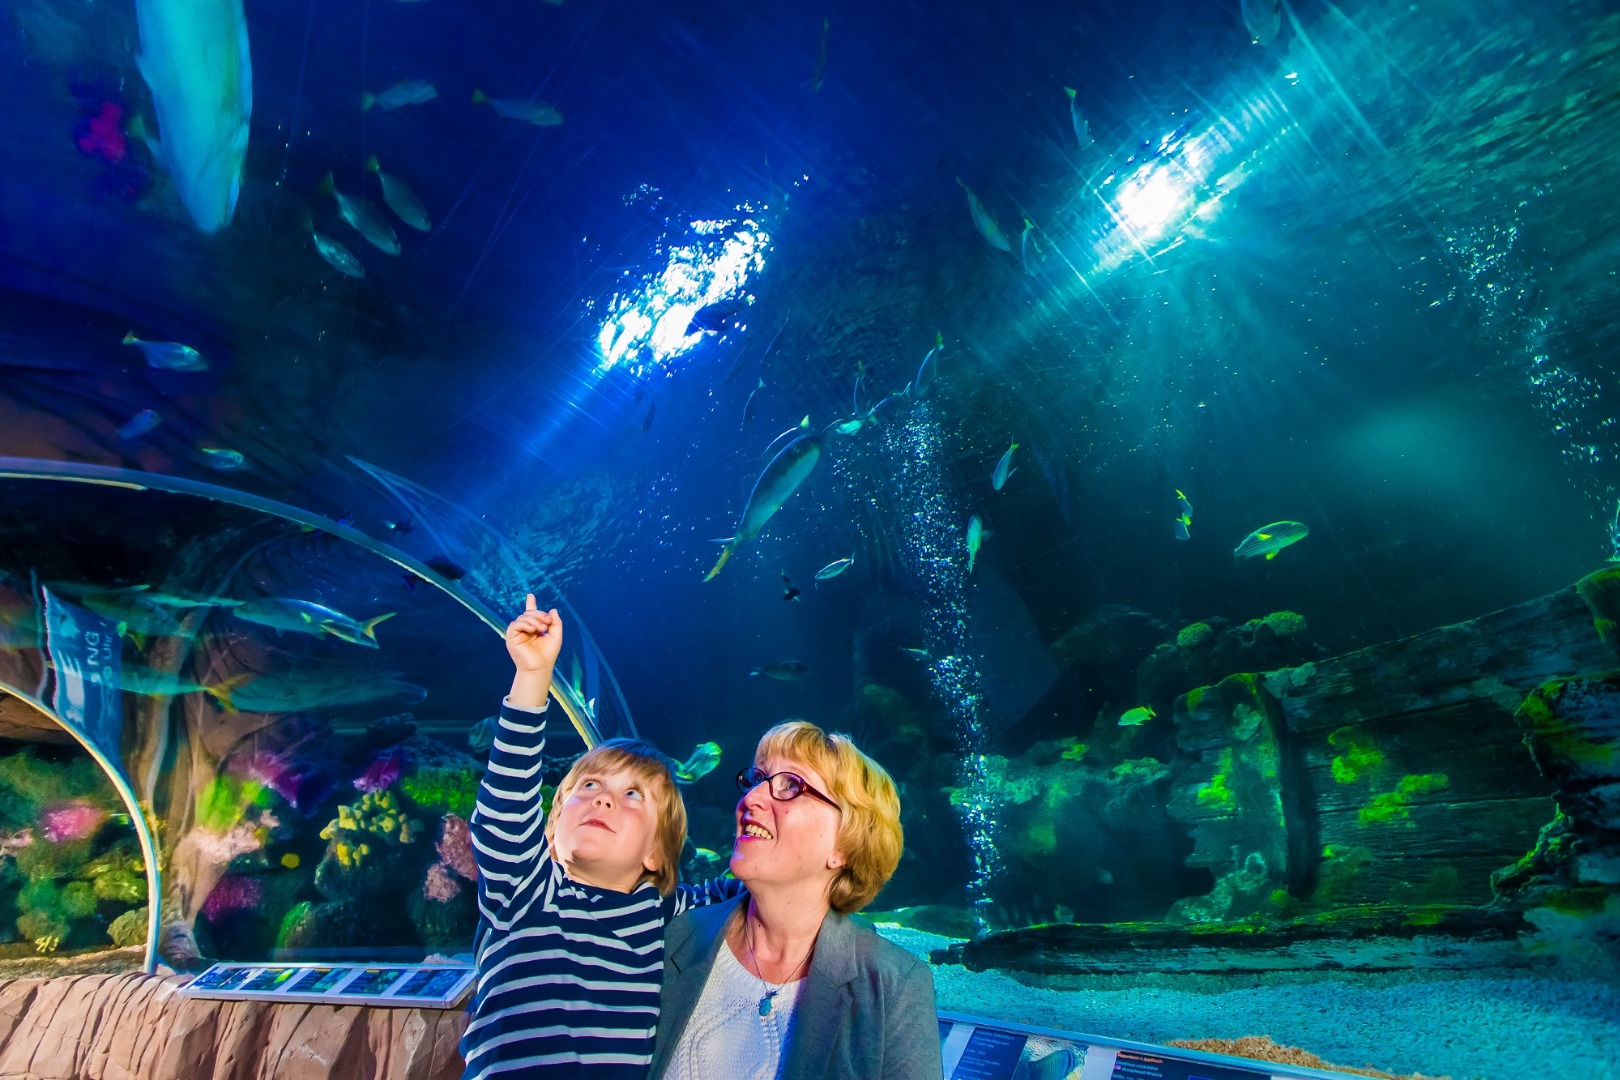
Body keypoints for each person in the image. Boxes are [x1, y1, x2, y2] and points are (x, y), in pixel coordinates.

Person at [460, 595, 742, 1080]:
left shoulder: (666, 910)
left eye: (633, 795)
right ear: (552, 828)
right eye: (589, 786)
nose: (604, 799)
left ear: (656, 853)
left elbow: (756, 883)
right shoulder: (527, 892)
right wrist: (533, 676)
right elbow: (505, 808)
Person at [649, 720, 942, 1080]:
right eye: (757, 779)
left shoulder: (895, 985)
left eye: (791, 785)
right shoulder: (674, 932)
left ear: (845, 844)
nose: (751, 798)